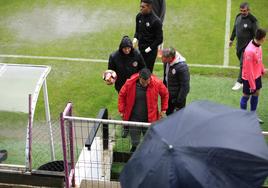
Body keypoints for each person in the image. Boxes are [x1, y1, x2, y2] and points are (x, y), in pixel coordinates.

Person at [118, 68, 168, 152]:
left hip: (150, 118)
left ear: (150, 78)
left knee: (149, 138)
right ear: (139, 78)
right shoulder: (129, 83)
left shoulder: (157, 83)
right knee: (135, 139)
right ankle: (134, 148)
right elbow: (122, 95)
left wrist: (164, 109)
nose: (146, 84)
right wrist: (122, 110)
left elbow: (165, 94)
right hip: (134, 118)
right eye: (143, 82)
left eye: (148, 81)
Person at [108, 35, 146, 138]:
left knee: (136, 106)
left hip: (135, 86)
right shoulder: (114, 57)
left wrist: (141, 80)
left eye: (129, 48)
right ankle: (126, 127)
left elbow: (143, 68)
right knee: (124, 108)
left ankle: (140, 126)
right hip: (121, 87)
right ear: (121, 48)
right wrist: (110, 80)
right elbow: (110, 72)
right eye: (125, 48)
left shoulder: (137, 54)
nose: (127, 50)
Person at [229, 2, 258, 91]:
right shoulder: (238, 16)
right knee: (245, 65)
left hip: (247, 47)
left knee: (243, 64)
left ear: (248, 10)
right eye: (241, 11)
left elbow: (255, 35)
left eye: (244, 11)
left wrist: (254, 47)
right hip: (239, 46)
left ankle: (239, 82)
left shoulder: (253, 20)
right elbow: (235, 28)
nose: (243, 12)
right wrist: (231, 39)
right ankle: (249, 78)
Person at [240, 28, 266, 124]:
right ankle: (243, 117)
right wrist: (252, 85)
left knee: (256, 93)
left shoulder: (258, 45)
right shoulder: (249, 51)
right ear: (262, 38)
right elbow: (248, 70)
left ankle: (253, 115)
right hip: (249, 78)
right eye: (265, 37)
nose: (266, 38)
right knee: (246, 96)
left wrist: (262, 69)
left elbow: (259, 60)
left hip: (257, 75)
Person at [133, 0, 163, 73]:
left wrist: (149, 48)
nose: (141, 8)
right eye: (140, 6)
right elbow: (137, 31)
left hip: (150, 53)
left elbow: (159, 39)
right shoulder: (139, 16)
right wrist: (135, 39)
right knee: (138, 70)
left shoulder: (156, 21)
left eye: (143, 7)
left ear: (149, 7)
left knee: (147, 72)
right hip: (140, 49)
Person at [161, 47, 190, 115]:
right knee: (168, 115)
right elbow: (165, 77)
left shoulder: (182, 67)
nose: (162, 59)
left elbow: (185, 87)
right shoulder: (166, 63)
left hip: (177, 100)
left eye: (164, 57)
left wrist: (178, 102)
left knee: (178, 119)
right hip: (169, 97)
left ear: (170, 58)